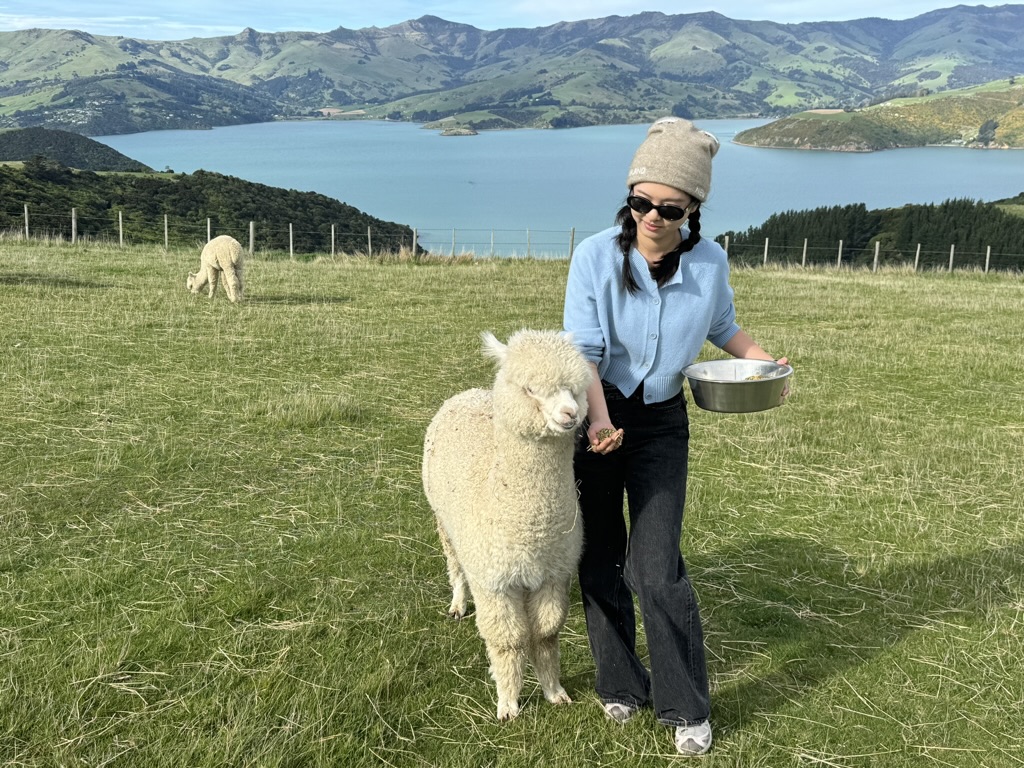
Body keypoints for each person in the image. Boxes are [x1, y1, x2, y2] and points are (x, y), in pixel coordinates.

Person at [562, 116, 788, 756]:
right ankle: (619, 684)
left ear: (693, 210)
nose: (653, 218)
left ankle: (686, 707)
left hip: (663, 421)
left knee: (656, 567)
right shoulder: (594, 257)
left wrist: (766, 365)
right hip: (597, 411)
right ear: (629, 198)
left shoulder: (710, 262)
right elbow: (582, 352)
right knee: (599, 556)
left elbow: (724, 327)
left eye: (670, 208)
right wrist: (599, 420)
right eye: (642, 203)